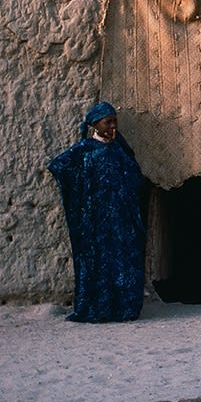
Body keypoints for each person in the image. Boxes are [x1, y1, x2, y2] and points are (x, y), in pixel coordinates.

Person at [47, 102, 147, 322]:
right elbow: (59, 166)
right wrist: (84, 196)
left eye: (114, 121)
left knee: (124, 261)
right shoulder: (84, 149)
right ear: (95, 124)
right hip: (97, 221)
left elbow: (134, 175)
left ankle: (125, 309)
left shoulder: (119, 147)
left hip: (121, 218)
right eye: (107, 122)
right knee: (100, 263)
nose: (112, 126)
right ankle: (100, 309)